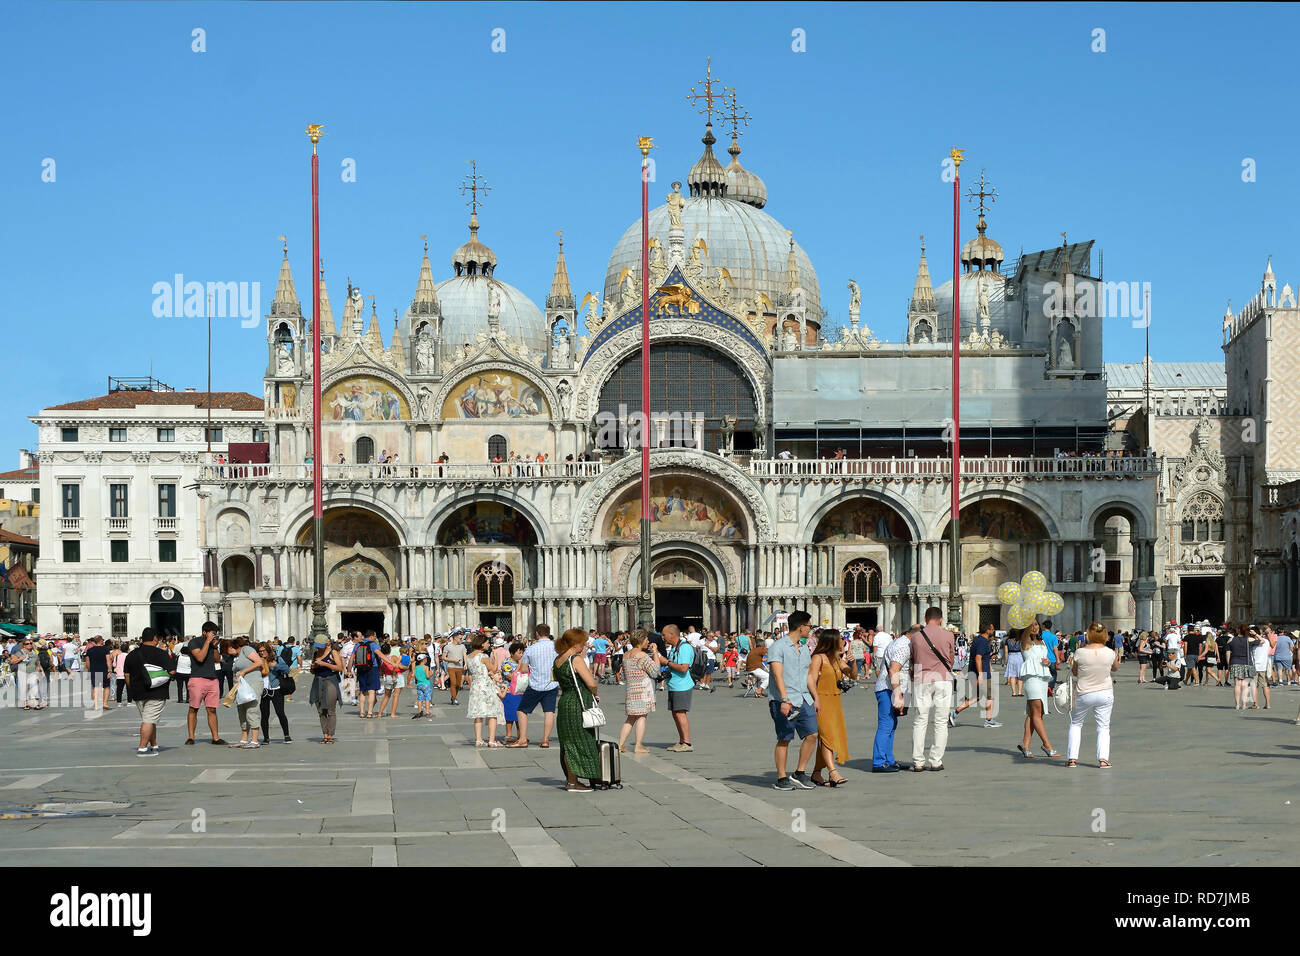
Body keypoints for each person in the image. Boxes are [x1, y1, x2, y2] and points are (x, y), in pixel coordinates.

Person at [768, 611, 816, 789]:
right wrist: (785, 699)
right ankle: (781, 778)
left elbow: (808, 675)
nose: (810, 629)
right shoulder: (778, 647)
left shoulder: (804, 647)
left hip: (804, 698)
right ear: (801, 627)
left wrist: (815, 698)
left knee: (812, 734)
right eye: (809, 626)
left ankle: (800, 772)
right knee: (785, 738)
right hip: (785, 700)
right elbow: (777, 674)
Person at [553, 627, 602, 792]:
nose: (585, 645)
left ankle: (571, 780)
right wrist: (594, 694)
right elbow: (591, 683)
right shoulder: (576, 659)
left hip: (565, 702)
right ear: (576, 644)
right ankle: (574, 783)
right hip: (578, 704)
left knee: (568, 743)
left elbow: (561, 683)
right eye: (583, 642)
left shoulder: (558, 660)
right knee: (581, 741)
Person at [909, 607, 956, 772]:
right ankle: (936, 761)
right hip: (942, 679)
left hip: (922, 679)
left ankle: (918, 761)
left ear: (925, 618)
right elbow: (951, 658)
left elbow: (913, 659)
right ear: (941, 619)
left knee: (920, 721)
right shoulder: (949, 635)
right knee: (941, 722)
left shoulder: (915, 637)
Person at [1066, 622, 1119, 768]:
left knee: (1076, 724)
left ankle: (1072, 759)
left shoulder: (1080, 652)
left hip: (1084, 692)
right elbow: (1115, 668)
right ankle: (1103, 759)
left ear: (1088, 634)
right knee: (1103, 727)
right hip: (1105, 692)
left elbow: (1075, 672)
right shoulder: (1110, 652)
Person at [807, 630, 849, 786]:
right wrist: (816, 699)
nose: (843, 642)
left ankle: (816, 773)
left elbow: (851, 674)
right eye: (840, 640)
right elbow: (810, 679)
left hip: (835, 701)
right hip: (821, 701)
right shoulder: (818, 658)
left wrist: (851, 662)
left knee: (827, 737)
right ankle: (833, 772)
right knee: (826, 736)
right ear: (832, 641)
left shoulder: (836, 659)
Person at [124, 628, 173, 757]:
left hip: (138, 693)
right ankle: (142, 748)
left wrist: (131, 688)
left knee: (149, 719)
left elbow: (127, 675)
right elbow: (172, 671)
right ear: (155, 639)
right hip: (157, 692)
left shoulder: (132, 654)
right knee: (148, 720)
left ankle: (154, 744)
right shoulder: (161, 653)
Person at [873, 626, 914, 773]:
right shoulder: (904, 646)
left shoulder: (900, 642)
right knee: (886, 724)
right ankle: (879, 762)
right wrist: (897, 694)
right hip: (887, 689)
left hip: (888, 688)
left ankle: (888, 760)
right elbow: (893, 670)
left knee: (891, 724)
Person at [510, 624, 559, 748]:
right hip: (551, 684)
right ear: (548, 633)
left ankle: (522, 739)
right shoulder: (556, 647)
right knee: (549, 712)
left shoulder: (531, 649)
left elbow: (524, 669)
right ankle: (545, 740)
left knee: (521, 711)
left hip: (535, 684)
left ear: (537, 633)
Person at [1017, 622, 1059, 758]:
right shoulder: (1025, 641)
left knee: (1033, 714)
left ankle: (1025, 745)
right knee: (1036, 713)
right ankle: (1047, 745)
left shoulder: (1041, 641)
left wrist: (1047, 662)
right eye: (1031, 625)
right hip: (1031, 678)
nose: (1035, 627)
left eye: (1036, 624)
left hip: (1042, 678)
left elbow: (1043, 658)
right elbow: (1026, 641)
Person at [617, 630, 660, 754]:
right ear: (641, 640)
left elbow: (625, 674)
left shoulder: (626, 655)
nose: (648, 641)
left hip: (631, 689)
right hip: (642, 691)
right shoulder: (641, 655)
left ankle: (620, 744)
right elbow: (655, 671)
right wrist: (655, 653)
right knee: (642, 716)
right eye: (646, 639)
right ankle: (638, 745)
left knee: (630, 718)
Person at [185, 622, 228, 746]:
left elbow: (216, 659)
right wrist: (207, 642)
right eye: (212, 633)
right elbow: (200, 657)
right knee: (194, 708)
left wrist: (214, 647)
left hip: (212, 679)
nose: (214, 636)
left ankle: (215, 738)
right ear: (204, 632)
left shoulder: (212, 644)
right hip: (197, 678)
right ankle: (191, 737)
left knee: (212, 709)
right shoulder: (194, 642)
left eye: (215, 634)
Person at [953, 621, 1001, 727]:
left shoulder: (977, 639)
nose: (993, 631)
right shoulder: (983, 641)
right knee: (990, 696)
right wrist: (980, 674)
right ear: (987, 630)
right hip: (981, 673)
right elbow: (978, 658)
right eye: (992, 629)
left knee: (977, 697)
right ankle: (988, 720)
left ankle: (955, 712)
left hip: (975, 671)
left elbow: (980, 656)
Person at [466, 633, 505, 747]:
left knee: (478, 713)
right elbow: (494, 668)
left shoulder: (469, 657)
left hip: (476, 685)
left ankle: (478, 739)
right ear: (482, 644)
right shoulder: (483, 657)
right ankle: (491, 740)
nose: (489, 645)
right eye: (488, 643)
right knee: (492, 713)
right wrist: (496, 658)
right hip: (486, 686)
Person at [662, 624, 696, 753]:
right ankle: (682, 741)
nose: (663, 637)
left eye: (664, 634)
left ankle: (687, 743)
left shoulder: (684, 647)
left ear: (672, 634)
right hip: (674, 685)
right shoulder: (675, 647)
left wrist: (666, 662)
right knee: (676, 713)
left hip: (682, 686)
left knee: (680, 713)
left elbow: (683, 668)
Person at [229, 637, 267, 749]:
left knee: (252, 710)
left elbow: (259, 662)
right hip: (241, 686)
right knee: (242, 711)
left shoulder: (246, 649)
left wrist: (244, 672)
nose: (227, 652)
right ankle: (244, 739)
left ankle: (254, 740)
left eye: (228, 649)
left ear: (233, 646)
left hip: (253, 683)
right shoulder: (237, 657)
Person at [309, 638, 343, 743]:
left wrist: (325, 664)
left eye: (320, 645)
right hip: (317, 681)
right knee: (321, 711)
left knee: (330, 710)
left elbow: (339, 667)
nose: (318, 647)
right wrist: (313, 666)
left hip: (330, 681)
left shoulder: (333, 652)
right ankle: (325, 735)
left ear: (326, 644)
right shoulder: (315, 653)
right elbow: (312, 671)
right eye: (317, 645)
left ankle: (331, 736)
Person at [259, 641, 292, 743]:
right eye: (259, 651)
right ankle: (266, 737)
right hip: (263, 690)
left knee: (280, 713)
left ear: (268, 650)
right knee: (264, 715)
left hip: (276, 689)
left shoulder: (277, 658)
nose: (261, 653)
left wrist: (275, 665)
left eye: (263, 651)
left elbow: (287, 670)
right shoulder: (257, 660)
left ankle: (286, 735)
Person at [355, 630, 382, 717]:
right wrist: (391, 662)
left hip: (360, 669)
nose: (375, 637)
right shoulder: (373, 644)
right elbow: (380, 654)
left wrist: (348, 670)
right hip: (372, 669)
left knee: (362, 691)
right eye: (375, 636)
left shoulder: (358, 644)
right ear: (371, 636)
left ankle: (362, 712)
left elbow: (352, 658)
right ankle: (370, 713)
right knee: (371, 691)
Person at [499, 643, 524, 737]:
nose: (521, 655)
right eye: (519, 653)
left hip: (521, 691)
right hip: (509, 691)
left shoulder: (522, 663)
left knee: (520, 715)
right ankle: (508, 735)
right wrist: (519, 666)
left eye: (522, 653)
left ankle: (520, 736)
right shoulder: (506, 663)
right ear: (512, 653)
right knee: (510, 715)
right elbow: (510, 677)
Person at [84, 636, 112, 711]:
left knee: (95, 688)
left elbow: (87, 663)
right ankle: (105, 703)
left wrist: (89, 671)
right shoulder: (105, 649)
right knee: (106, 687)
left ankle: (96, 705)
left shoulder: (89, 650)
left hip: (94, 671)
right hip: (104, 671)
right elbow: (108, 660)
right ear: (101, 641)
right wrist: (110, 670)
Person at [442, 633, 466, 705]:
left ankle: (453, 697)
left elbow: (464, 655)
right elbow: (443, 657)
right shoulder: (448, 647)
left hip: (460, 667)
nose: (461, 640)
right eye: (460, 638)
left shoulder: (462, 646)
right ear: (455, 638)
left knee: (458, 684)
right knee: (453, 683)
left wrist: (465, 664)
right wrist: (453, 660)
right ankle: (454, 698)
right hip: (451, 666)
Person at [411, 652, 435, 720]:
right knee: (427, 698)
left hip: (419, 684)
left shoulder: (416, 667)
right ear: (423, 660)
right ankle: (427, 712)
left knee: (420, 699)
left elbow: (415, 676)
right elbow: (427, 676)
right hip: (426, 684)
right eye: (426, 659)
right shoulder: (426, 667)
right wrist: (431, 674)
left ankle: (420, 711)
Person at [1004, 627, 1024, 697]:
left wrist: (1006, 660)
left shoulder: (1007, 640)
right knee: (1020, 675)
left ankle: (1014, 692)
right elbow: (1022, 650)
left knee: (1012, 675)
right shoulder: (1020, 640)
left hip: (1011, 656)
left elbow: (1006, 651)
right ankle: (1019, 692)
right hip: (1019, 656)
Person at [1041, 619, 1060, 691]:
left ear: (1043, 626)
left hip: (1042, 658)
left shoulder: (1040, 635)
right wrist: (1058, 658)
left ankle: (1044, 687)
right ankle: (1050, 687)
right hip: (1052, 658)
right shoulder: (1053, 636)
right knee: (1053, 673)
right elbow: (1055, 648)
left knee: (1043, 673)